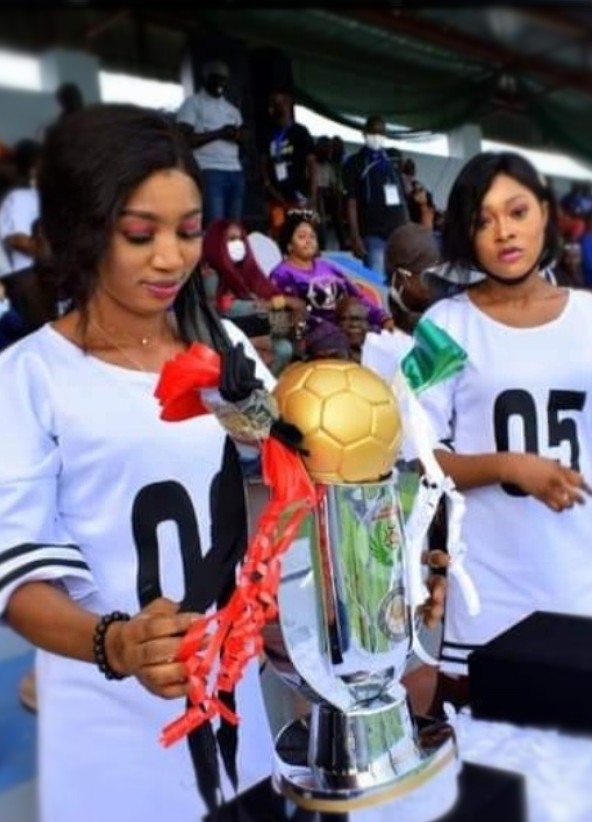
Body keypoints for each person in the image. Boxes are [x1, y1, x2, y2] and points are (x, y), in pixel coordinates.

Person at [0, 103, 276, 822]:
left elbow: (285, 473)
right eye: (139, 234)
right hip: (110, 720)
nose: (170, 259)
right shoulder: (30, 377)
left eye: (189, 232)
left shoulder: (225, 355)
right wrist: (116, 641)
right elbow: (15, 577)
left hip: (237, 705)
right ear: (83, 231)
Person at [417, 151, 592, 710]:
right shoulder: (443, 327)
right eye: (483, 220)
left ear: (545, 212)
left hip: (579, 574)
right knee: (498, 765)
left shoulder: (589, 316)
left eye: (516, 211)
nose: (504, 232)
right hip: (488, 591)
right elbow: (417, 454)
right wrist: (509, 465)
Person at [201, 217, 302, 373]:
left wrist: (285, 305)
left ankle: (267, 387)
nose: (238, 244)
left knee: (284, 348)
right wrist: (274, 304)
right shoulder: (211, 274)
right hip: (224, 339)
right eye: (231, 239)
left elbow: (270, 295)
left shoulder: (247, 270)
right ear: (217, 243)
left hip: (257, 333)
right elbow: (224, 307)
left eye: (241, 238)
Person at [270, 209, 394, 334]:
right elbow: (286, 314)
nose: (309, 241)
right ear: (289, 244)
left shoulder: (327, 266)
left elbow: (358, 298)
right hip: (316, 335)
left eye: (312, 236)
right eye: (301, 237)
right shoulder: (281, 274)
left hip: (351, 328)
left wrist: (383, 318)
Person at [176, 60, 245, 226]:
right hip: (209, 170)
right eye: (216, 77)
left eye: (223, 78)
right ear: (205, 78)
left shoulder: (232, 109)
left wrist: (237, 135)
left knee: (234, 227)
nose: (220, 82)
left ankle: (230, 253)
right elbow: (183, 139)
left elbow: (243, 139)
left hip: (235, 171)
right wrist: (220, 132)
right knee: (215, 226)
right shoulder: (193, 103)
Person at [343, 114, 408, 276]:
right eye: (373, 131)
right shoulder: (355, 162)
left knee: (400, 280)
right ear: (364, 133)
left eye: (381, 132)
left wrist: (408, 227)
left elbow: (402, 197)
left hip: (398, 231)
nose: (377, 136)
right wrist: (355, 235)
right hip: (373, 233)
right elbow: (351, 202)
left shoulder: (392, 160)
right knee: (376, 279)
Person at [260, 89, 318, 238]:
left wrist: (313, 196)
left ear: (287, 103)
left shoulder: (300, 132)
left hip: (298, 195)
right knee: (277, 232)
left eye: (279, 103)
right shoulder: (267, 133)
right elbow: (263, 163)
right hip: (276, 197)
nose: (275, 107)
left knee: (299, 233)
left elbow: (312, 164)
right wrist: (269, 187)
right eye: (272, 104)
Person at [385, 222, 441, 335]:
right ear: (401, 277)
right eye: (427, 276)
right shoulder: (380, 320)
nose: (435, 283)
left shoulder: (445, 309)